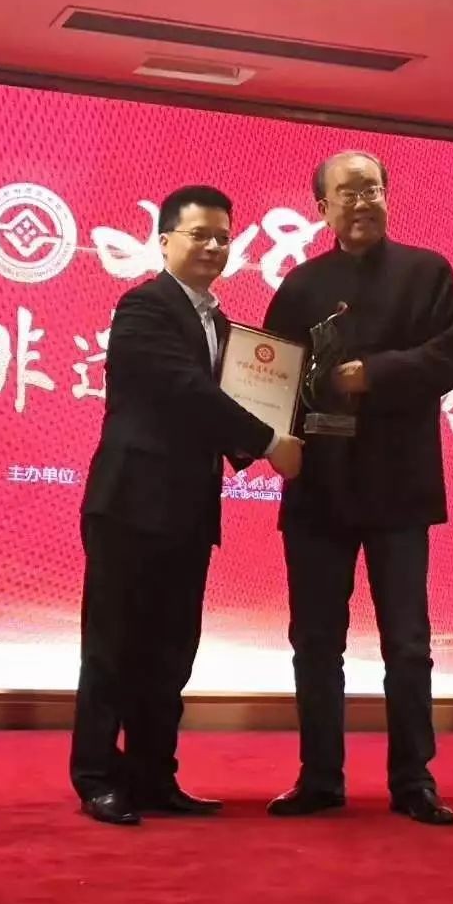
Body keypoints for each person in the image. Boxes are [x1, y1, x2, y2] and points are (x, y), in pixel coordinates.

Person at [71, 185, 303, 825]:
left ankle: (154, 776)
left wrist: (289, 424)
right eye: (199, 235)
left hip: (189, 508)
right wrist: (270, 442)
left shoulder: (223, 326)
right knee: (113, 649)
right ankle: (98, 778)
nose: (213, 247)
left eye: (223, 237)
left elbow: (227, 403)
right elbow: (184, 390)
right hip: (129, 505)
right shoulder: (143, 306)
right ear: (165, 239)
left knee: (172, 652)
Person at [262, 151, 453, 825]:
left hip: (399, 487)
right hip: (319, 490)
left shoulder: (427, 271)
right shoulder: (301, 285)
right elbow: (269, 376)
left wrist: (372, 374)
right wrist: (265, 441)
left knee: (407, 643)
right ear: (322, 208)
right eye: (347, 193)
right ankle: (320, 777)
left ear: (388, 197)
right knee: (314, 642)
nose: (362, 202)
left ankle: (413, 780)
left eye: (372, 189)